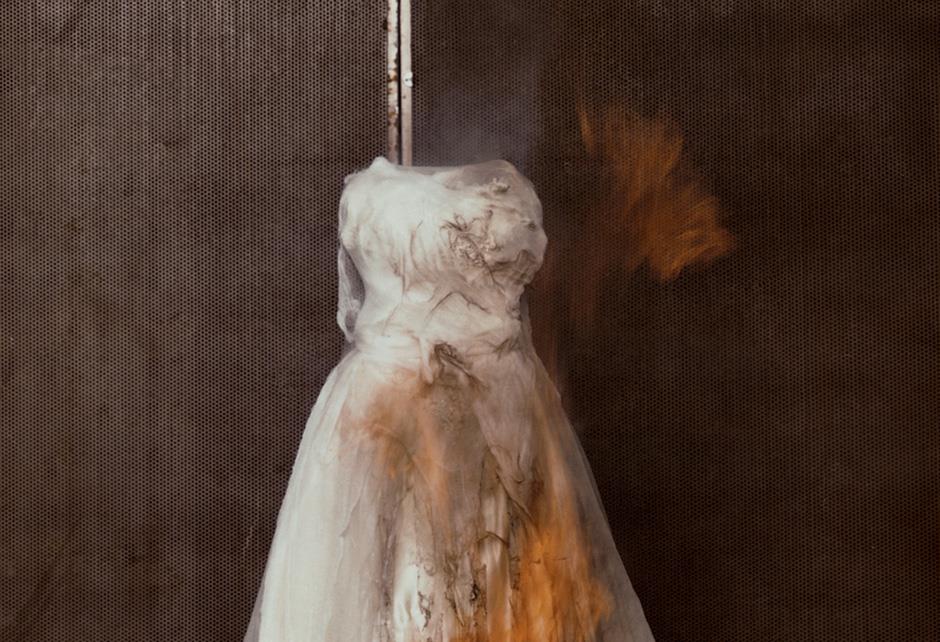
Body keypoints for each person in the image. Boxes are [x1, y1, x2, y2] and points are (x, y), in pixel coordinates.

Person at [244, 156, 655, 641]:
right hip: (394, 403)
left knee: (502, 576)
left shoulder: (498, 211)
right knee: (386, 577)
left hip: (493, 404)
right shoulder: (384, 210)